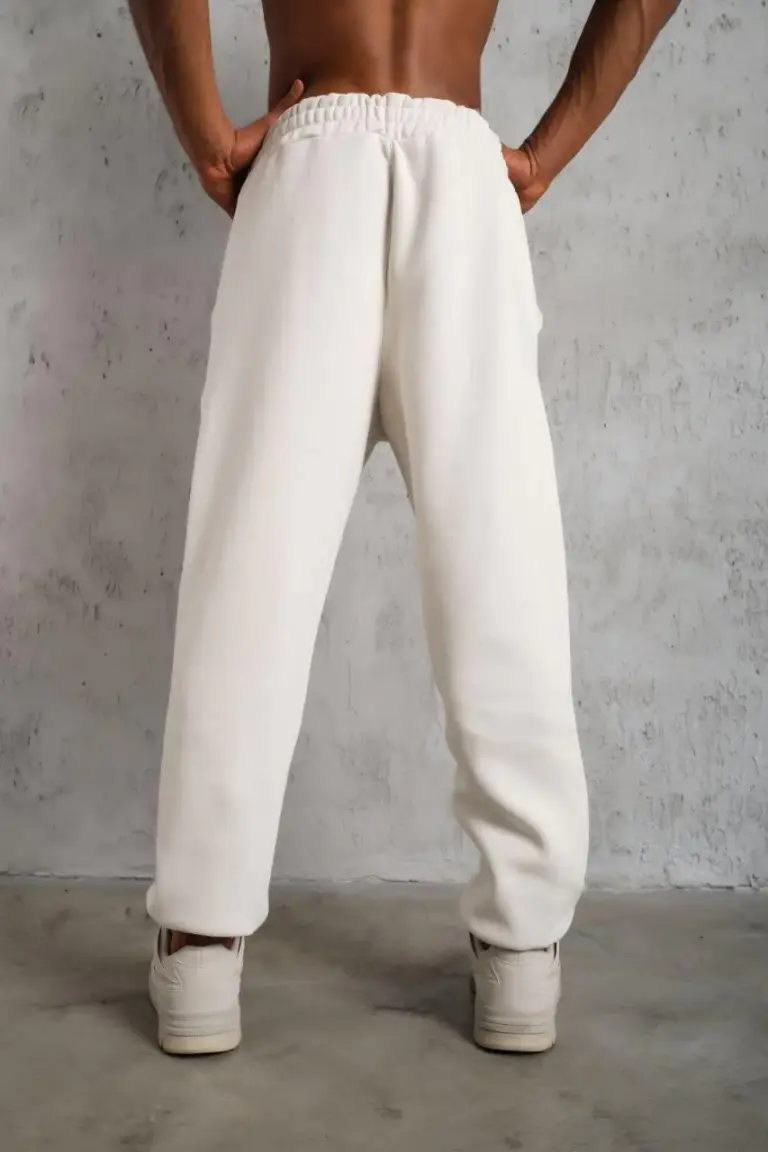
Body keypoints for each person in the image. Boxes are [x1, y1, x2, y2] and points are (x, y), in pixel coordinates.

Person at [128, 0, 680, 1056]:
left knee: (251, 569)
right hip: (463, 169)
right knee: (501, 565)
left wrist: (206, 135)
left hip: (308, 166)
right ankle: (522, 950)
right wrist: (544, 153)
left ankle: (200, 946)